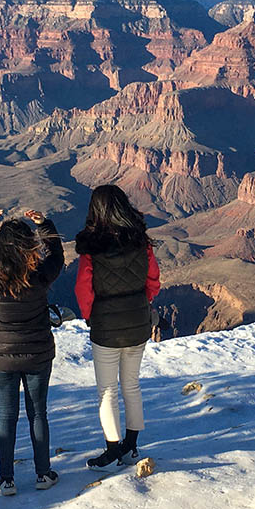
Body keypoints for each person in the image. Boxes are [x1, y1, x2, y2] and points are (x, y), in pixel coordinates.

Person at [0, 208, 64, 496]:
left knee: (5, 417)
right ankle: (43, 473)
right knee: (38, 415)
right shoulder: (39, 275)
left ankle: (6, 479)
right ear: (27, 246)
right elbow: (57, 257)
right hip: (37, 354)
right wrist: (44, 225)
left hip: (0, 356)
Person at [74, 185, 161, 471]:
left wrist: (90, 316)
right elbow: (153, 279)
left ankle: (112, 449)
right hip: (138, 321)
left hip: (106, 325)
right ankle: (131, 446)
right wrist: (142, 302)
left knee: (108, 391)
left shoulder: (91, 248)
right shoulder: (141, 241)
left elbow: (83, 289)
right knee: (131, 385)